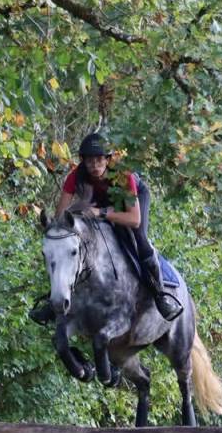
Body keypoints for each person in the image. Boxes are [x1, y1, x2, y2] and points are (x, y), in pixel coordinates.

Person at [31, 132, 183, 324]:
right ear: (83, 161)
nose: (94, 166)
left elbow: (134, 219)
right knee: (66, 250)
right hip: (101, 200)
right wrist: (56, 231)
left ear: (108, 159)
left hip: (130, 203)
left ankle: (160, 295)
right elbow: (61, 216)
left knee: (140, 240)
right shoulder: (75, 176)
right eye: (89, 161)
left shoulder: (122, 174)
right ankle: (54, 300)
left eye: (99, 160)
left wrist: (101, 213)